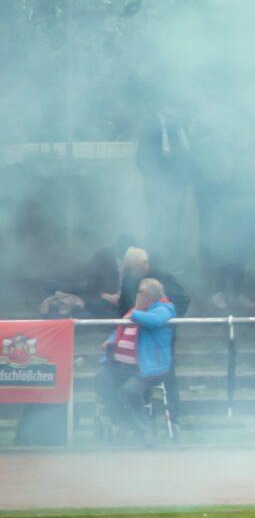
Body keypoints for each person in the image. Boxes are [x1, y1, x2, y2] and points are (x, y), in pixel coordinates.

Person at [98, 278, 177, 439]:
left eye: (139, 292)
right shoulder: (136, 311)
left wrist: (134, 313)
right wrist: (111, 339)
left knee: (129, 391)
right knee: (100, 378)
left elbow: (154, 321)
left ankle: (143, 430)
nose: (136, 296)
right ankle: (123, 421)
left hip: (148, 368)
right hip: (121, 365)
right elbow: (122, 329)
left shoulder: (164, 308)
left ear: (147, 296)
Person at [134, 105, 191, 264]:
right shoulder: (150, 127)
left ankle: (172, 259)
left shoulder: (180, 127)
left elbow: (187, 156)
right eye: (173, 106)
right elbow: (141, 156)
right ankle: (152, 258)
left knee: (174, 222)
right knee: (154, 221)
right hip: (156, 183)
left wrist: (183, 179)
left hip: (177, 184)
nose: (177, 110)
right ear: (163, 108)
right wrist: (152, 177)